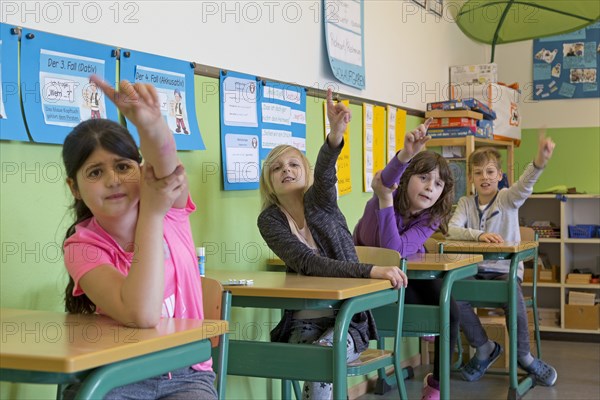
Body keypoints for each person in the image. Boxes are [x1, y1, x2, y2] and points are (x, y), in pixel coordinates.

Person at [61, 76, 217, 399]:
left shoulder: (170, 207)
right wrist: (152, 215)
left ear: (142, 169)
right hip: (117, 374)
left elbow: (166, 163)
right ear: (74, 188)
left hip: (187, 374)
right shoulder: (81, 247)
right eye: (95, 172)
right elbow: (142, 314)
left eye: (122, 166)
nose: (113, 180)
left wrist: (152, 124)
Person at [257, 88, 407, 400]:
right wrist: (369, 270)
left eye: (293, 165)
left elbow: (326, 174)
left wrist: (335, 133)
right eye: (277, 167)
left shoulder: (320, 200)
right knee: (297, 360)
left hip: (347, 321)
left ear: (305, 172)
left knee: (325, 358)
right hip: (303, 321)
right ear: (268, 182)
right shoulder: (270, 220)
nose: (286, 170)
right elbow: (307, 263)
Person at [353, 118, 457, 400]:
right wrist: (404, 156)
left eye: (438, 184)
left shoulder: (431, 218)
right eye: (423, 178)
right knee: (429, 306)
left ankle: (435, 384)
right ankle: (427, 332)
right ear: (406, 178)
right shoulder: (380, 200)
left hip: (399, 277)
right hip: (368, 281)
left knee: (450, 308)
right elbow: (392, 253)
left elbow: (398, 255)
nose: (429, 187)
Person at [447, 131, 557, 386]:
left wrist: (539, 162)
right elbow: (452, 230)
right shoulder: (465, 202)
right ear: (471, 177)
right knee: (453, 294)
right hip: (474, 268)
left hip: (504, 270)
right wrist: (479, 235)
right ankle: (484, 348)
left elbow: (525, 184)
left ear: (498, 175)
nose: (484, 177)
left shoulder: (508, 198)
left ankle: (525, 357)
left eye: (489, 172)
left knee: (511, 293)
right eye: (478, 173)